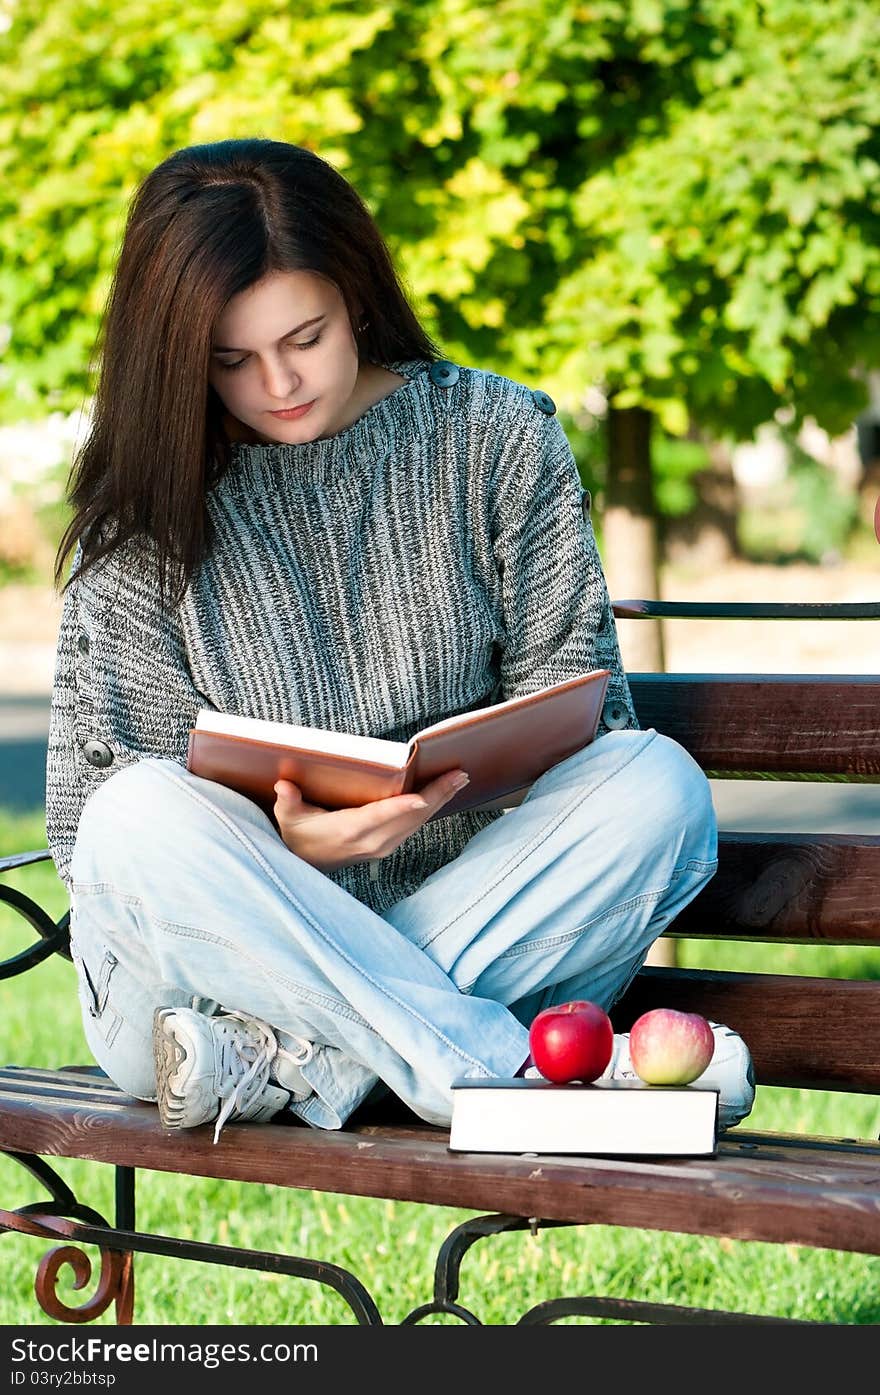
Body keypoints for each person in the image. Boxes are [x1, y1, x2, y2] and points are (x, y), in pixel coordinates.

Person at [46, 137, 754, 1144]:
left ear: (357, 297)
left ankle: (309, 1068)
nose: (279, 383)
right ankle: (495, 1071)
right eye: (231, 360)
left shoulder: (495, 439)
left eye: (307, 337)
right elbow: (100, 845)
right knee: (136, 812)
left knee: (656, 785)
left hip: (274, 1028)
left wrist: (460, 782)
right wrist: (289, 845)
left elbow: (584, 717)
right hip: (201, 991)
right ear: (176, 356)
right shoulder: (148, 499)